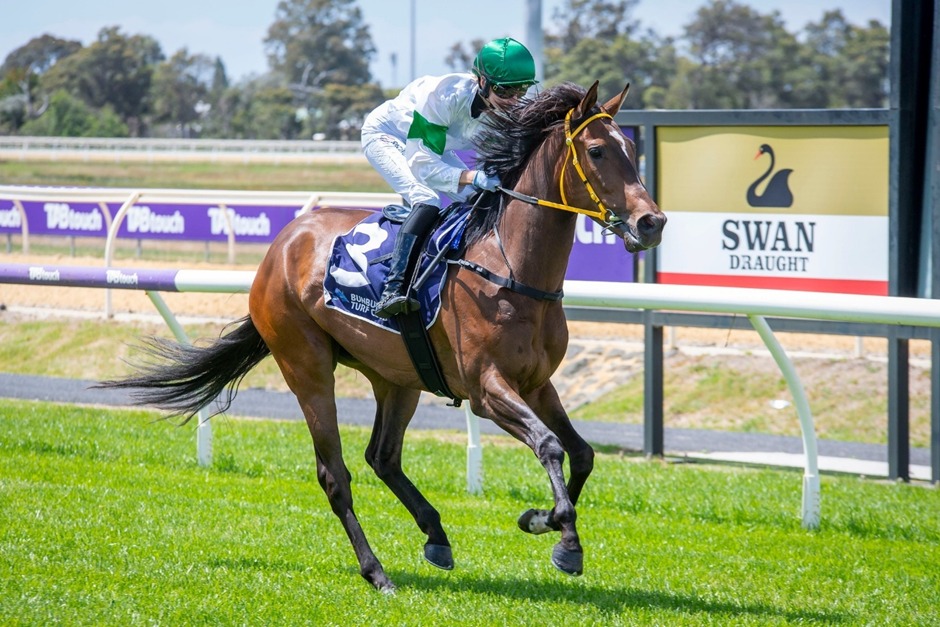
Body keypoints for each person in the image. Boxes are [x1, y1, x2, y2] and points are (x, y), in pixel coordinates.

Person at [361, 37, 538, 318]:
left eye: (522, 89)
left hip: (434, 146)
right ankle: (393, 289)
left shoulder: (505, 109)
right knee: (426, 198)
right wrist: (472, 176)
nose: (514, 100)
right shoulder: (444, 96)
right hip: (390, 136)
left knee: (480, 198)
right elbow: (422, 165)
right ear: (482, 81)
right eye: (505, 90)